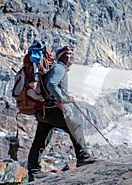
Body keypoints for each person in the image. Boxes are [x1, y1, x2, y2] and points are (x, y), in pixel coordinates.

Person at [27, 45, 96, 182]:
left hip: (44, 111)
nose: (71, 56)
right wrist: (63, 99)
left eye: (71, 53)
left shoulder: (55, 68)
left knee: (40, 140)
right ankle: (82, 157)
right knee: (75, 126)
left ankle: (33, 172)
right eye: (68, 53)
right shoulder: (59, 68)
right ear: (61, 56)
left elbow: (50, 85)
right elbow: (52, 84)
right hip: (53, 109)